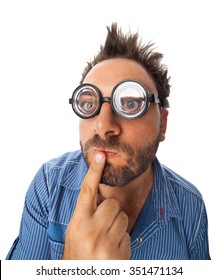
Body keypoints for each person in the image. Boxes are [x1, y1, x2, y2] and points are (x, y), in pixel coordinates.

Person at [6, 23, 210, 260]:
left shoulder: (190, 206)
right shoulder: (49, 185)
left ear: (162, 124)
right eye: (88, 103)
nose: (103, 126)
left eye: (131, 103)